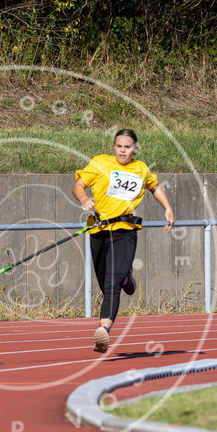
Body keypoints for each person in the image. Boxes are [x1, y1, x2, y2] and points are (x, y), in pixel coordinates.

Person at [72, 129, 175, 353]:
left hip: (125, 232)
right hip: (99, 231)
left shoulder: (141, 168)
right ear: (113, 146)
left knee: (112, 285)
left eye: (127, 147)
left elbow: (155, 187)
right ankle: (126, 276)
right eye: (119, 146)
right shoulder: (100, 163)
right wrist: (84, 198)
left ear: (135, 149)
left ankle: (104, 330)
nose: (122, 151)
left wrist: (167, 208)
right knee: (105, 283)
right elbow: (78, 185)